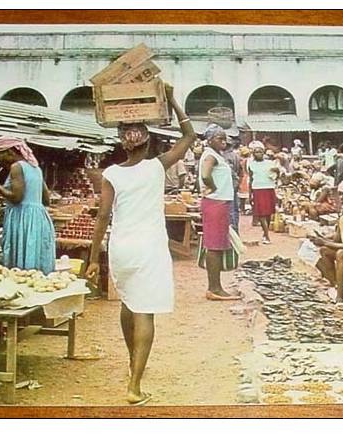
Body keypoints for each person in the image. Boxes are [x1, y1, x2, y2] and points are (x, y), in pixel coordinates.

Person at [85, 85, 196, 406]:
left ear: (122, 142)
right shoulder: (157, 166)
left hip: (121, 247)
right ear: (147, 141)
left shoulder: (111, 173)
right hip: (149, 247)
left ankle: (133, 363)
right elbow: (189, 137)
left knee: (128, 304)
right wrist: (173, 98)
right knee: (144, 311)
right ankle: (134, 385)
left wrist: (94, 259)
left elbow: (103, 217)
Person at [0, 136, 55, 273]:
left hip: (22, 219)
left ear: (11, 151)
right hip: (38, 219)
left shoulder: (17, 167)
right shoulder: (36, 168)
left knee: (19, 267)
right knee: (33, 258)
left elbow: (17, 198)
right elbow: (47, 200)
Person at [200, 123, 240, 301]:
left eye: (225, 138)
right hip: (215, 203)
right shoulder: (210, 155)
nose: (224, 141)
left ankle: (215, 287)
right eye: (219, 138)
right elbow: (206, 175)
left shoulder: (216, 155)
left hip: (219, 203)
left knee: (217, 244)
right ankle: (214, 288)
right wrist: (213, 188)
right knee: (215, 246)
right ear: (209, 140)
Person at [247, 141, 280, 244]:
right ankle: (266, 234)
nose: (259, 154)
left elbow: (277, 175)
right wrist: (250, 194)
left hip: (269, 188)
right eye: (256, 152)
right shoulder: (251, 165)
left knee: (268, 213)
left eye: (261, 152)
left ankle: (265, 234)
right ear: (253, 154)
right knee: (261, 213)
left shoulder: (270, 163)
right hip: (257, 189)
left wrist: (277, 172)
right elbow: (251, 179)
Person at [222, 138, 243, 231]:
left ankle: (233, 231)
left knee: (230, 209)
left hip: (227, 184)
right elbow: (241, 173)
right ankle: (235, 230)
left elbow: (231, 172)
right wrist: (238, 183)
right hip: (235, 184)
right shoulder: (236, 156)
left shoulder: (225, 157)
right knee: (235, 209)